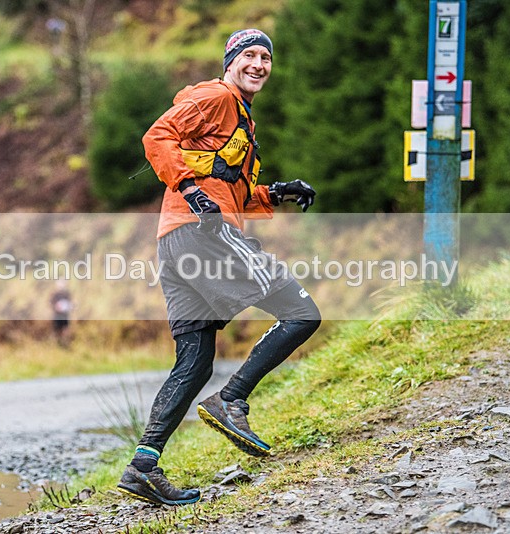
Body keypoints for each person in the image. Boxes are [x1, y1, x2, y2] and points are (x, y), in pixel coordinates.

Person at [116, 29, 321, 506]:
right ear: (230, 61)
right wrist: (189, 189)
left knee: (195, 361)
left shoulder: (241, 122)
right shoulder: (216, 95)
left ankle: (143, 466)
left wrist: (276, 193)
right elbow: (158, 136)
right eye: (249, 55)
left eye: (266, 56)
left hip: (175, 242)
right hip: (201, 232)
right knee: (302, 313)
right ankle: (232, 400)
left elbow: (230, 188)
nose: (259, 63)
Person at [50, 280, 73, 346]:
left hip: (65, 316)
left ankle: (65, 344)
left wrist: (71, 306)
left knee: (65, 330)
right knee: (57, 330)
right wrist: (55, 307)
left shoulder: (67, 294)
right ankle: (56, 345)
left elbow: (70, 303)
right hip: (57, 316)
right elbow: (51, 303)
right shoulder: (55, 294)